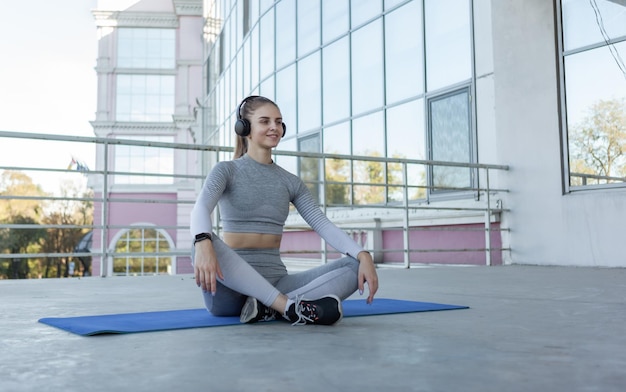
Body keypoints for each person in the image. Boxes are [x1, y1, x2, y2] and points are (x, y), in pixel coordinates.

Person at [190, 95, 379, 325]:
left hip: (277, 283)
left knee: (355, 264)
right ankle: (287, 307)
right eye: (265, 121)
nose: (274, 127)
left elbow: (322, 224)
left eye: (278, 122)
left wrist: (362, 254)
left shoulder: (290, 181)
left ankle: (268, 308)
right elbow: (201, 207)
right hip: (229, 291)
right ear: (245, 128)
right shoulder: (226, 171)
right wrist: (202, 240)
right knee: (200, 241)